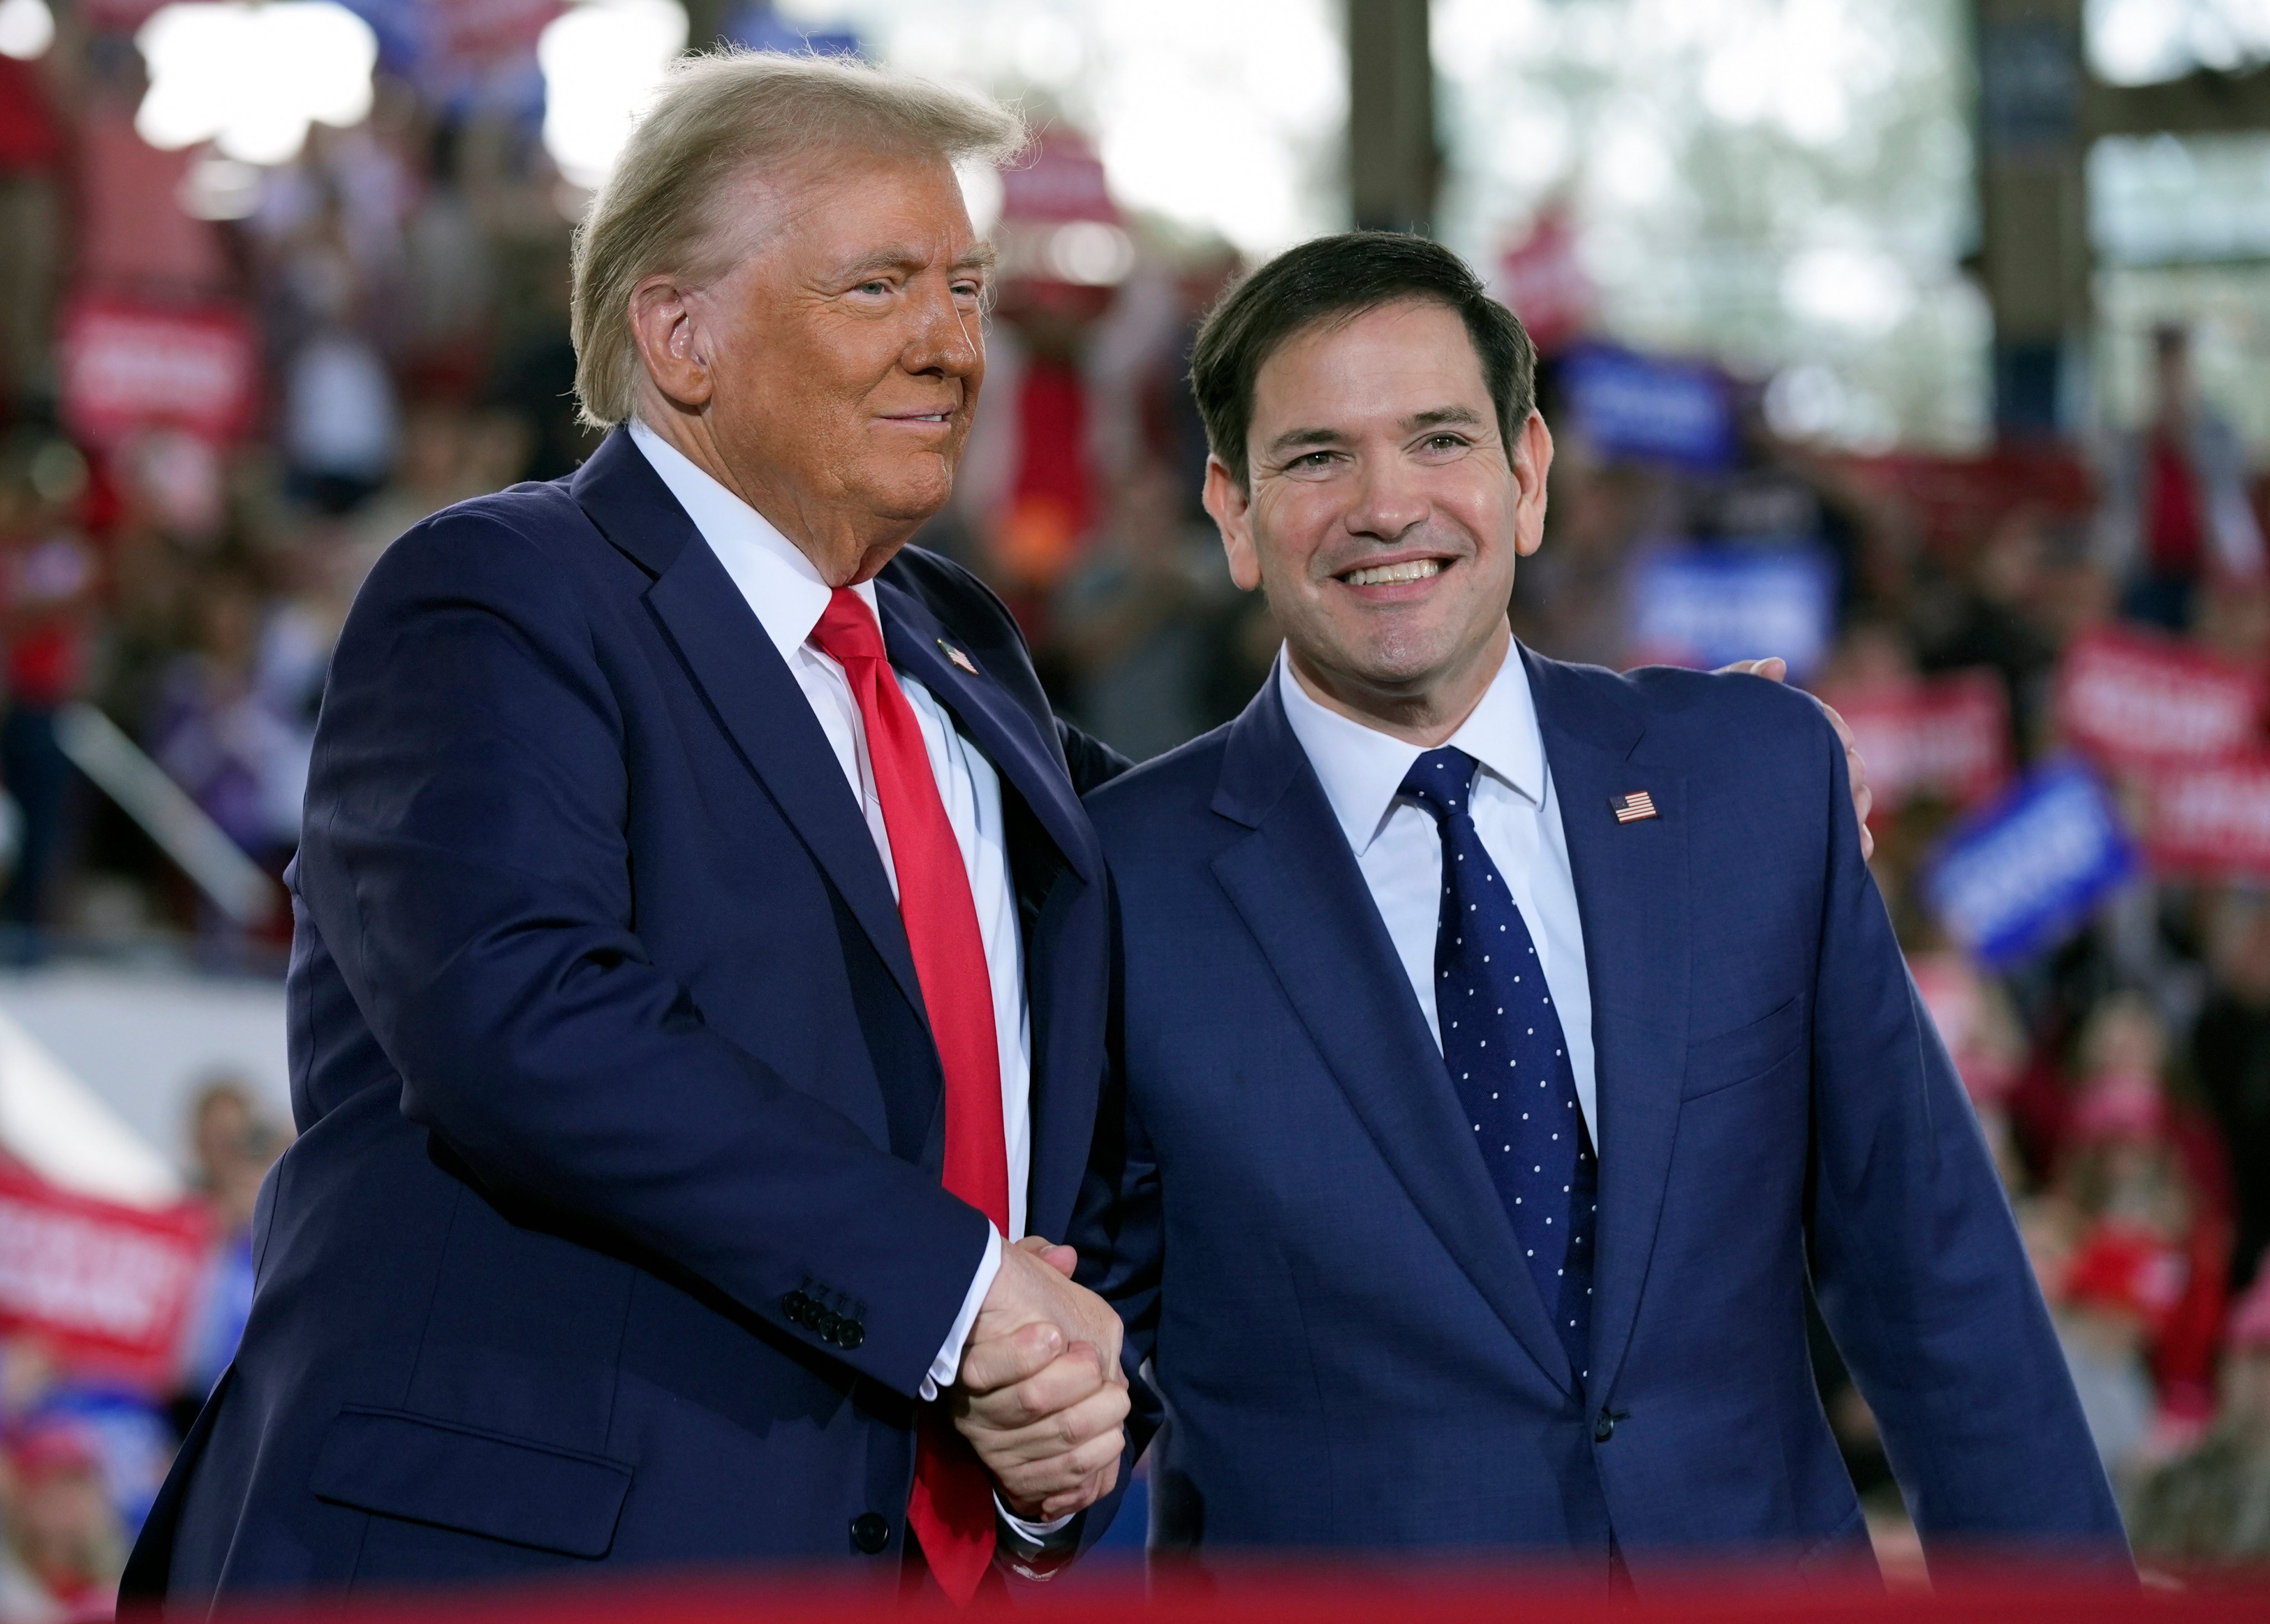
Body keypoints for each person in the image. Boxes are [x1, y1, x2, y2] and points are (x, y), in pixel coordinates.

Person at [123, 53, 1132, 1607]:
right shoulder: (504, 591)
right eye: (881, 287)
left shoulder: (967, 654)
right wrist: (963, 1296)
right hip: (511, 1559)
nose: (952, 345)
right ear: (681, 334)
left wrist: (1058, 1426)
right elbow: (520, 1013)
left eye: (969, 289)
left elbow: (1127, 1022)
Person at [1030, 233, 2126, 1576]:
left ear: (1527, 474)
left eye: (1439, 439)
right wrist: (1041, 1475)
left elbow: (1933, 1280)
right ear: (1231, 508)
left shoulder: (1753, 784)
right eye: (1316, 455)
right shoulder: (1121, 880)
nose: (1387, 505)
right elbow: (1079, 1372)